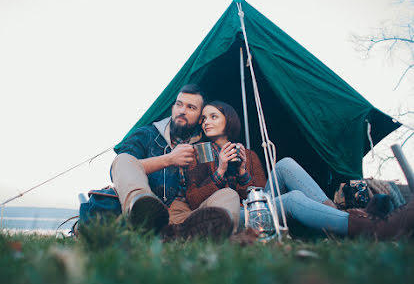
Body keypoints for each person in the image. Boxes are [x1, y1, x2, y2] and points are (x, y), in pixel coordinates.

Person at [185, 101, 414, 239]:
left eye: (213, 116)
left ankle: (341, 217)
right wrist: (221, 169)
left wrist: (244, 171)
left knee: (285, 164)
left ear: (229, 120)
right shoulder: (198, 154)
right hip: (232, 214)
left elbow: (260, 195)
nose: (206, 122)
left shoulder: (248, 153)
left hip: (258, 208)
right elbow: (195, 201)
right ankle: (374, 228)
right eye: (203, 118)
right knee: (293, 199)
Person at [111, 84, 235, 238]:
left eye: (191, 107)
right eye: (179, 104)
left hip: (188, 216)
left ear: (199, 119)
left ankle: (197, 236)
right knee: (122, 159)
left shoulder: (205, 146)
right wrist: (168, 159)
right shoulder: (147, 134)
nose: (182, 111)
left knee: (229, 195)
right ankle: (143, 214)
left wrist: (227, 167)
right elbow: (121, 168)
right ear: (173, 107)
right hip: (151, 207)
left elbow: (206, 190)